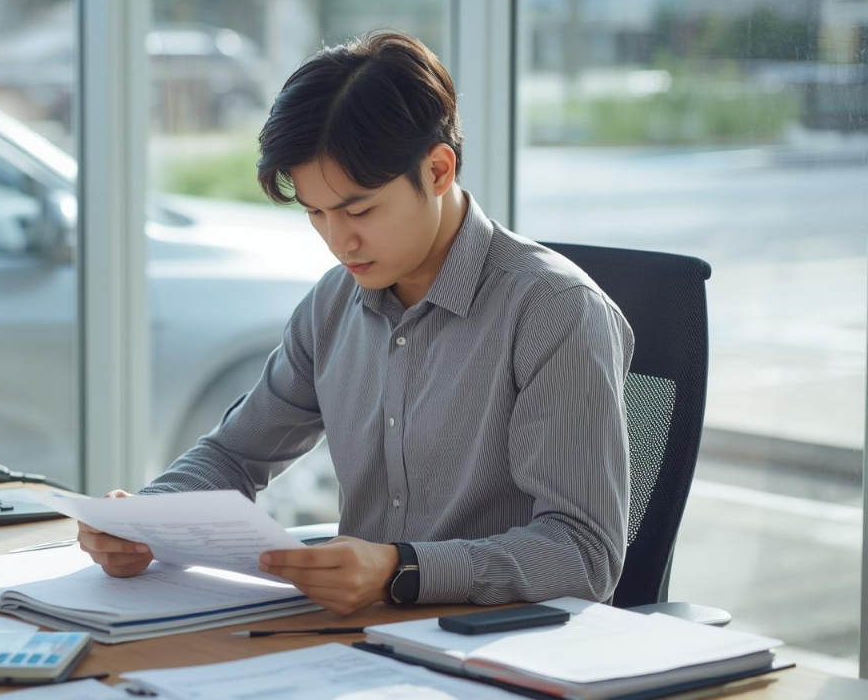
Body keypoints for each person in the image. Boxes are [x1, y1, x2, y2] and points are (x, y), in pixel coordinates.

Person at [78, 31, 634, 615]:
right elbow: (234, 455)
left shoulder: (556, 310)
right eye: (316, 213)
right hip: (358, 640)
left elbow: (583, 554)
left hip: (493, 652)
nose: (339, 241)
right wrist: (145, 518)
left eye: (359, 209)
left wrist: (404, 570)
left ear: (439, 170)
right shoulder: (335, 303)